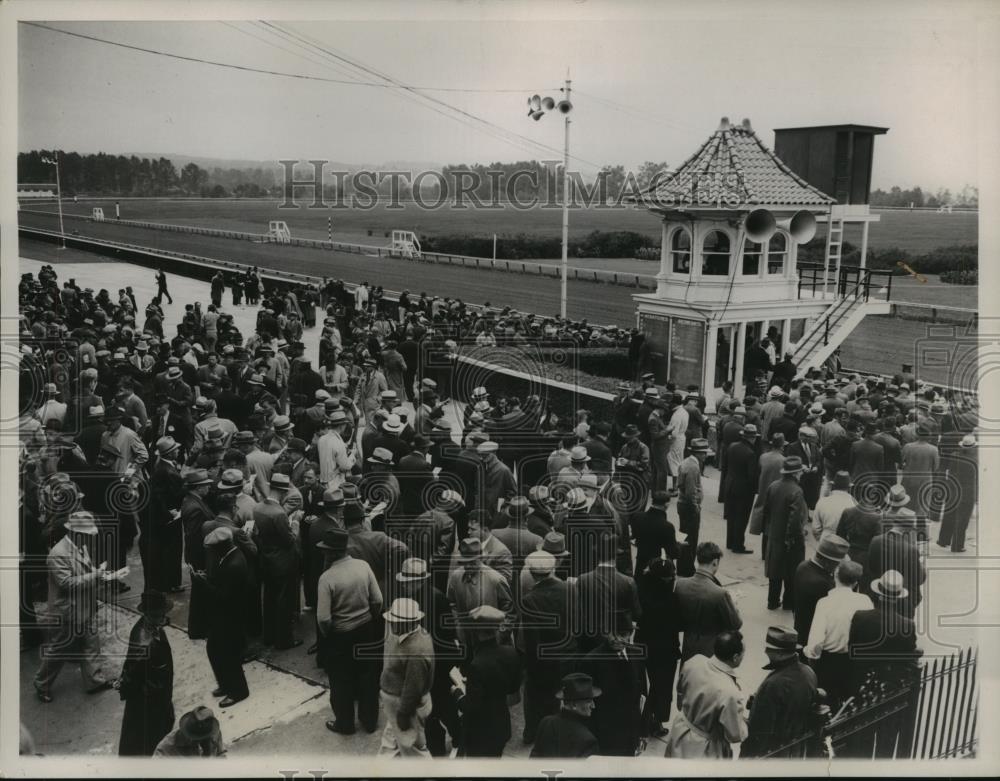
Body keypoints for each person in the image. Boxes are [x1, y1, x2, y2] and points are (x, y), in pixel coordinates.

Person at [33, 511, 120, 703]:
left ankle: (94, 680)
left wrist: (100, 576)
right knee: (59, 650)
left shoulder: (80, 546)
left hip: (84, 605)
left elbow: (84, 571)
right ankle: (41, 683)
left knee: (91, 643)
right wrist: (96, 575)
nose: (90, 537)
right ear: (75, 533)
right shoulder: (58, 554)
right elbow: (66, 583)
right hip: (67, 611)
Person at [316, 527, 383, 735]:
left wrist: (330, 633)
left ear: (330, 552)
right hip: (366, 629)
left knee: (341, 680)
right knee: (368, 676)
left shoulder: (327, 578)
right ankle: (370, 721)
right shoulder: (363, 566)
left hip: (341, 634)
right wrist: (368, 617)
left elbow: (323, 618)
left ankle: (345, 723)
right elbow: (378, 600)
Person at [519, 550, 576, 744]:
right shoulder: (570, 589)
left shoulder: (529, 600)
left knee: (537, 699)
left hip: (544, 661)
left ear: (532, 574)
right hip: (569, 656)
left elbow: (532, 640)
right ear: (552, 570)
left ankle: (533, 733)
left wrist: (532, 668)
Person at [663, 631, 749, 758]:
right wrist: (745, 724)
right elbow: (735, 735)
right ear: (735, 657)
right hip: (704, 748)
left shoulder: (694, 661)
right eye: (743, 653)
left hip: (680, 731)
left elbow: (680, 691)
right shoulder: (730, 692)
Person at [451, 604, 522, 757]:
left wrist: (457, 693)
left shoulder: (477, 664)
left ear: (475, 632)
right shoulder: (510, 653)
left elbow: (471, 707)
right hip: (501, 725)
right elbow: (513, 687)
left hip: (481, 733)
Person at [740, 626, 820, 758]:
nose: (765, 652)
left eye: (769, 649)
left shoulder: (773, 685)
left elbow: (760, 730)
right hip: (796, 749)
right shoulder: (809, 672)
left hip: (773, 752)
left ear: (781, 653)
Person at [804, 560, 872, 708]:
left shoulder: (825, 603)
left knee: (828, 705)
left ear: (835, 576)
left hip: (829, 663)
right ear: (855, 583)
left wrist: (812, 660)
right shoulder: (865, 601)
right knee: (850, 704)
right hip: (855, 662)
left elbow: (816, 643)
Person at [197, 526, 251, 708]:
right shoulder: (229, 556)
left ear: (221, 547)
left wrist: (204, 584)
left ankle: (238, 691)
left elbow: (224, 596)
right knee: (216, 650)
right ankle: (226, 685)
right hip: (226, 615)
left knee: (228, 654)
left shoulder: (234, 564)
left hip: (230, 617)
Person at [117, 590, 175, 756]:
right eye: (161, 615)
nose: (165, 618)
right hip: (149, 700)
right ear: (152, 615)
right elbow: (132, 674)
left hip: (156, 694)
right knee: (146, 738)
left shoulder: (149, 626)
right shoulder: (145, 645)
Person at [378, 597, 436, 758]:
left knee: (415, 751)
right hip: (396, 705)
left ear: (408, 623)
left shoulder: (416, 650)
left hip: (405, 707)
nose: (391, 624)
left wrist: (403, 714)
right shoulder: (409, 635)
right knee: (390, 743)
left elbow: (413, 688)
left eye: (395, 621)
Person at [635, 557, 682, 739]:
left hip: (643, 644)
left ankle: (642, 717)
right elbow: (680, 623)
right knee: (661, 687)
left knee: (642, 684)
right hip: (666, 649)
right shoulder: (672, 599)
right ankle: (657, 720)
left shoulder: (641, 593)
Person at [674, 542, 742, 661]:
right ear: (715, 562)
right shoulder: (720, 593)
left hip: (688, 647)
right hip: (711, 650)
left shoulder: (680, 585)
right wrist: (734, 604)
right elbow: (735, 624)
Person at [762, 456, 809, 611]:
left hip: (774, 535)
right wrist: (793, 538)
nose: (801, 474)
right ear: (795, 473)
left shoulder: (773, 486)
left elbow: (767, 510)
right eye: (800, 472)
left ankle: (772, 601)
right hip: (791, 540)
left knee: (774, 572)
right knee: (791, 573)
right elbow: (795, 520)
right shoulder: (797, 491)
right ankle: (788, 603)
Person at [792, 532, 849, 645]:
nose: (838, 567)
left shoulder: (803, 566)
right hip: (812, 635)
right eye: (837, 564)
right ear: (827, 562)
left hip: (800, 626)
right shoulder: (822, 583)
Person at [530, 673, 601, 758]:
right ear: (574, 705)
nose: (593, 706)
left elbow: (534, 759)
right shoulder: (588, 740)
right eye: (589, 701)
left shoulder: (546, 722)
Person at [721, 424, 759, 554]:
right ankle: (738, 545)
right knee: (741, 518)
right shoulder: (750, 453)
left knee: (731, 515)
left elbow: (725, 466)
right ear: (752, 438)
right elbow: (751, 476)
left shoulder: (732, 446)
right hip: (743, 489)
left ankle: (730, 542)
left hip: (730, 484)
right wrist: (754, 490)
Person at [675, 438, 709, 575]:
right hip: (689, 507)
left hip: (683, 504)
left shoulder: (687, 462)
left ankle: (683, 566)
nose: (706, 456)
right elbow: (690, 493)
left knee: (684, 536)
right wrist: (696, 507)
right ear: (699, 453)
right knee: (691, 539)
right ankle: (687, 568)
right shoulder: (693, 467)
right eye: (704, 453)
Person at [630, 489, 679, 578]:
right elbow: (673, 553)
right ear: (666, 504)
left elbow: (634, 536)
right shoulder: (667, 527)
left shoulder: (637, 517)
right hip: (657, 568)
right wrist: (679, 545)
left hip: (640, 562)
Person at [153, 706, 225, 757]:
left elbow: (221, 753)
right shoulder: (166, 747)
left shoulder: (212, 731)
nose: (198, 742)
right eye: (194, 737)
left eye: (203, 737)